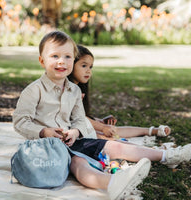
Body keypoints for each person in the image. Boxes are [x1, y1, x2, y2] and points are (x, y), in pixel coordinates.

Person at [13, 31, 191, 199]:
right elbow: (20, 122)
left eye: (67, 57)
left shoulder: (74, 90)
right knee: (78, 164)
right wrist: (44, 131)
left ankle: (167, 156)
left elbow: (80, 120)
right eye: (54, 56)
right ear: (41, 61)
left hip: (72, 140)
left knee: (113, 146)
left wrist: (76, 132)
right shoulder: (34, 90)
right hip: (46, 147)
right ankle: (114, 183)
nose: (62, 61)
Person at [68, 45, 171, 140]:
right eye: (84, 66)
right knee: (106, 135)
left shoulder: (78, 88)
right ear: (71, 64)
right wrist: (102, 127)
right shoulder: (68, 89)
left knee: (112, 130)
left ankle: (150, 131)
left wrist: (100, 122)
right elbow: (78, 118)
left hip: (81, 125)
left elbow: (82, 116)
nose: (88, 71)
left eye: (90, 67)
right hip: (72, 131)